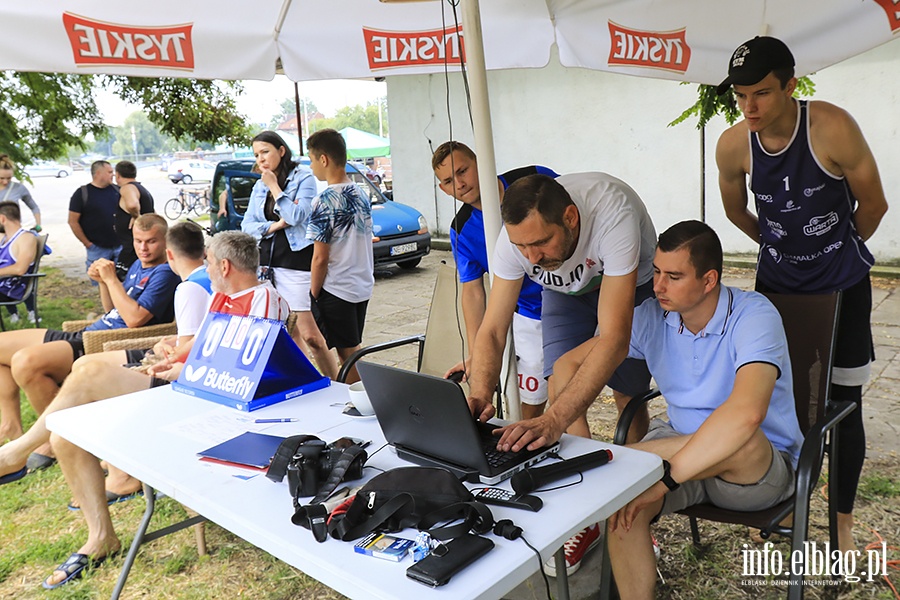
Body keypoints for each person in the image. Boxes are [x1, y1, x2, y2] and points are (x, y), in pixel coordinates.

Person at [715, 36, 889, 554]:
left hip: (843, 286)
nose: (750, 106)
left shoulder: (831, 127)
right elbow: (735, 212)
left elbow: (874, 205)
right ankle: (774, 498)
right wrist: (783, 250)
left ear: (791, 85)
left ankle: (841, 524)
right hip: (777, 290)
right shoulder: (732, 144)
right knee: (775, 398)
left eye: (762, 93)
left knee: (845, 405)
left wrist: (829, 254)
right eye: (741, 95)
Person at [42, 230, 290, 589]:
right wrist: (172, 354)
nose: (204, 266)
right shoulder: (222, 297)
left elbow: (244, 368)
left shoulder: (262, 298)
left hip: (206, 399)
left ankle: (18, 452)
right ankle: (100, 536)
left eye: (207, 260)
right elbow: (205, 347)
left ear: (224, 265)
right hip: (189, 386)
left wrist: (181, 369)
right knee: (65, 435)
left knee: (91, 370)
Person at [466, 172, 657, 575]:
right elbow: (494, 327)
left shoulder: (612, 214)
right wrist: (479, 391)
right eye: (522, 246)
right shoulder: (513, 243)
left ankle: (640, 507)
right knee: (560, 385)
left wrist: (553, 421)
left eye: (541, 242)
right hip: (566, 290)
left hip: (626, 283)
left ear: (571, 217)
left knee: (628, 395)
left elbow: (615, 338)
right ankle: (585, 516)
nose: (532, 256)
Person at [603, 220, 802, 599]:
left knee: (742, 439)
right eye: (657, 272)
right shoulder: (651, 315)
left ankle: (625, 459)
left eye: (674, 276)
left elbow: (746, 415)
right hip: (679, 449)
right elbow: (580, 362)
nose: (658, 286)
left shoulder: (754, 315)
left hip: (752, 474)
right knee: (622, 505)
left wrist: (657, 475)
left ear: (709, 280)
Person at [0, 221, 211, 502]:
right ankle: (16, 431)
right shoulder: (149, 268)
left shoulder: (178, 281)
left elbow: (137, 320)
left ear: (168, 250)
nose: (143, 248)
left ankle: (46, 443)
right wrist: (104, 283)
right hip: (98, 332)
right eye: (138, 241)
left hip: (112, 341)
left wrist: (112, 280)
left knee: (28, 362)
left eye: (150, 241)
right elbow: (113, 310)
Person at [431, 141, 558, 419]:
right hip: (530, 313)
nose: (460, 184)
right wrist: (476, 355)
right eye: (449, 180)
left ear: (482, 163)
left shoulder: (535, 178)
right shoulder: (461, 229)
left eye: (463, 171)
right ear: (443, 189)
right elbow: (473, 293)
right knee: (533, 402)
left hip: (581, 291)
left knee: (617, 389)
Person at [241, 131, 338, 380]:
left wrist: (274, 186)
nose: (260, 159)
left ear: (281, 150)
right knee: (287, 333)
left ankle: (337, 382)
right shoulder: (257, 185)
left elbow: (296, 217)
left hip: (296, 262)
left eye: (265, 152)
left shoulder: (303, 177)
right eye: (256, 155)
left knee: (312, 336)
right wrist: (273, 226)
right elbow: (247, 227)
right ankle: (305, 382)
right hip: (266, 266)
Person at [306, 128, 374, 384]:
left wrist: (313, 292)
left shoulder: (324, 200)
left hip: (337, 288)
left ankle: (359, 402)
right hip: (361, 284)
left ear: (323, 159)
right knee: (352, 351)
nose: (312, 167)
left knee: (348, 357)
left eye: (312, 160)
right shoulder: (360, 193)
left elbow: (320, 257)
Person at [0, 155, 42, 322]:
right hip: (2, 235)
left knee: (21, 266)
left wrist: (38, 225)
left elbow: (34, 206)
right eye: (1, 178)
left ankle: (31, 311)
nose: (5, 182)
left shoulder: (18, 188)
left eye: (8, 178)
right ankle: (13, 313)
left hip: (12, 231)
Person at [68, 160, 121, 284]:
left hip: (120, 246)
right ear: (98, 173)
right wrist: (88, 244)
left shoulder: (118, 191)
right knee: (100, 284)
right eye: (109, 172)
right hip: (97, 248)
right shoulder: (82, 194)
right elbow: (72, 221)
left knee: (123, 284)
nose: (112, 175)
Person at [0, 202, 40, 327]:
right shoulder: (4, 238)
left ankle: (27, 312)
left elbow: (20, 269)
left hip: (12, 287)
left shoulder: (26, 238)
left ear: (2, 218)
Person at [113, 160, 155, 270]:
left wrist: (136, 217)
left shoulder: (127, 188)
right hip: (139, 248)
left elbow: (132, 205)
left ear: (117, 175)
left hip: (131, 250)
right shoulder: (142, 189)